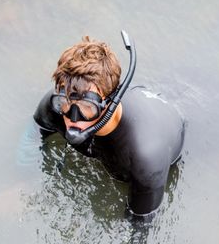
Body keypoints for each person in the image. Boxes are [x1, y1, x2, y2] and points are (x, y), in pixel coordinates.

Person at [33, 32, 185, 218]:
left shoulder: (146, 157)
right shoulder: (55, 105)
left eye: (88, 107)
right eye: (65, 102)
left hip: (178, 113)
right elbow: (34, 134)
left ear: (111, 102)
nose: (74, 118)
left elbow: (141, 223)